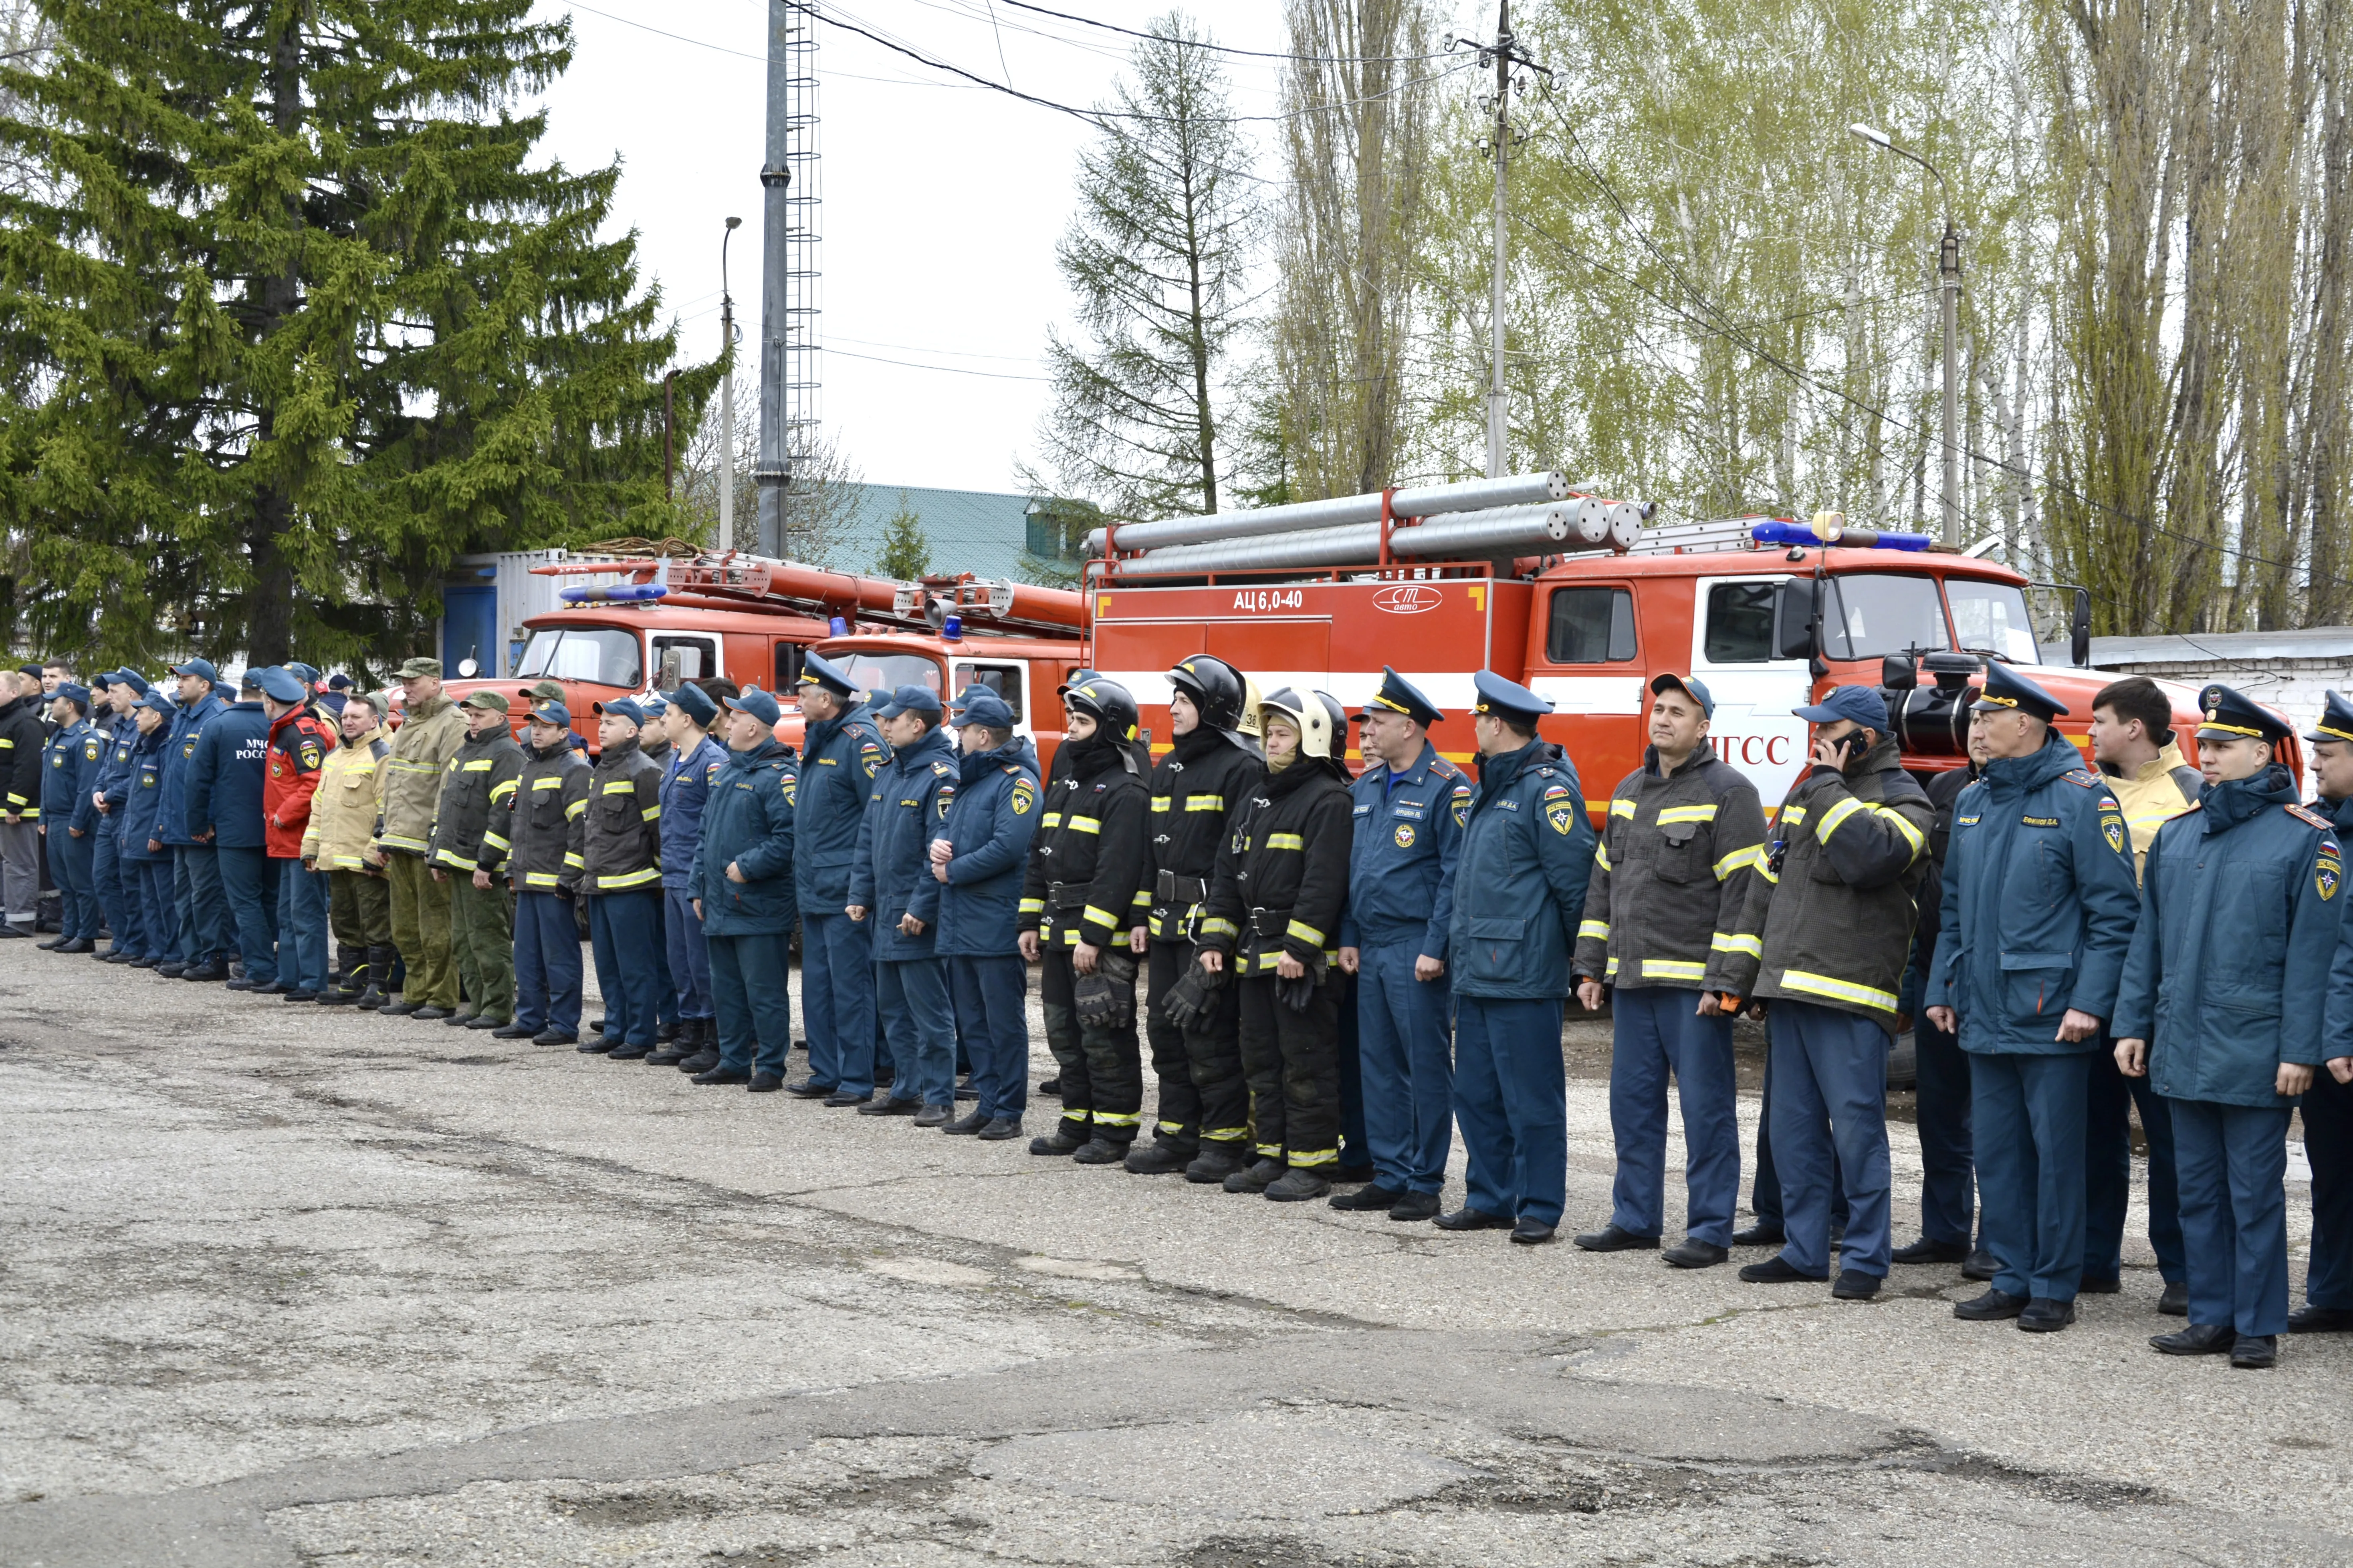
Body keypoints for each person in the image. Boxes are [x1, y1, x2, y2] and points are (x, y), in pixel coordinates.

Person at [2116, 683, 2340, 1370]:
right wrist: (2132, 1023)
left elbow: (2313, 956)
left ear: (2258, 750)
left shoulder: (2306, 840)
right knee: (2196, 1189)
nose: (2205, 755)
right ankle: (2210, 1314)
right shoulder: (2181, 834)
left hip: (2255, 1048)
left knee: (2252, 1192)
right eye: (2202, 744)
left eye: (2219, 745)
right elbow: (2146, 940)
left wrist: (2300, 1048)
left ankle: (2257, 1322)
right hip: (2182, 1044)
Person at [1925, 662, 2141, 1333]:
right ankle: (2011, 1274)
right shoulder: (1973, 800)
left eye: (1987, 716)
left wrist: (2089, 1002)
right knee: (1999, 1151)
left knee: (2057, 1155)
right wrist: (1941, 984)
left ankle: (2054, 1283)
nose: (1976, 727)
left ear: (2026, 721)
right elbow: (1953, 907)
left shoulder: (2084, 798)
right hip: (1984, 1008)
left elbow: (2113, 914)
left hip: (2053, 1014)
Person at [1705, 684, 1933, 1300]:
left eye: (1828, 729)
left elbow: (1867, 859)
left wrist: (1830, 785)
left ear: (1862, 737)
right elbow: (1763, 885)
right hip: (1788, 992)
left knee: (1857, 1134)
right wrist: (1742, 978)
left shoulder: (1906, 802)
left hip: (1850, 997)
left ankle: (1865, 1257)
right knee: (1794, 1131)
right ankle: (1805, 1250)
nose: (1816, 738)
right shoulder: (1806, 794)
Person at [1570, 672, 1768, 1266]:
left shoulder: (1730, 793)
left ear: (1704, 726)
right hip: (1632, 984)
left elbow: (1746, 895)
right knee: (1632, 1106)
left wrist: (1726, 981)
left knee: (1705, 1112)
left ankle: (1710, 1229)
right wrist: (1589, 968)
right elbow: (1602, 887)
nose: (1664, 719)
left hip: (1692, 989)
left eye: (1679, 712)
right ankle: (1635, 1218)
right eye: (1659, 709)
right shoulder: (1629, 790)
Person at [1433, 673, 1598, 1243]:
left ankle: (1540, 1205)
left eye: (1479, 719)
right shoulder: (1489, 786)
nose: (1474, 727)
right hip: (1478, 972)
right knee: (1475, 1095)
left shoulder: (1546, 789)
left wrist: (1586, 962)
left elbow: (1576, 884)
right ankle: (1490, 1197)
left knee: (1532, 1099)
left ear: (1496, 723)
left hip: (1524, 974)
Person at [1189, 688, 1354, 1201]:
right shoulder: (1257, 797)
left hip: (1298, 962)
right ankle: (1273, 1154)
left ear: (1314, 740)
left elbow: (1324, 883)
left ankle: (1313, 1162)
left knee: (1305, 1061)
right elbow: (1226, 871)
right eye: (1269, 734)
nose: (1271, 743)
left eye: (1282, 734)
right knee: (1261, 1059)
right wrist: (1216, 937)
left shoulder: (1329, 799)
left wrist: (1300, 949)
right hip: (1254, 956)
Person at [1326, 668, 1471, 1221]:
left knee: (1425, 1066)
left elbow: (1453, 878)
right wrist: (1349, 935)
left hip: (1416, 947)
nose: (1369, 730)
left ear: (1409, 727)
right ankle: (1388, 1173)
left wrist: (1435, 946)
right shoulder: (1366, 785)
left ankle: (1424, 1178)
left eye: (1378, 721)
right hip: (1374, 943)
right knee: (1378, 1064)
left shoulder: (1447, 787)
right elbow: (1354, 869)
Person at [2084, 675, 2202, 1314]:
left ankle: (2181, 1271)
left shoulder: (2192, 792)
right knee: (2094, 1130)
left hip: (2156, 992)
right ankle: (2093, 1260)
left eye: (2100, 721)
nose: (2090, 732)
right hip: (2095, 986)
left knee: (2168, 1138)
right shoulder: (2090, 791)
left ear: (2135, 727)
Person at [1132, 655, 1266, 1179]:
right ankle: (1176, 1135)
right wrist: (1144, 912)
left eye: (1184, 700)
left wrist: (1217, 927)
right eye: (1174, 700)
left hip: (1207, 926)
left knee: (1208, 1035)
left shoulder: (1242, 767)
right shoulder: (1169, 766)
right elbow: (1150, 849)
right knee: (1166, 1031)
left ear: (1213, 706)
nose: (1173, 709)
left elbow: (1239, 860)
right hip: (1166, 922)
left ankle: (1223, 1143)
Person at [1019, 676, 1151, 1161]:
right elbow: (1040, 855)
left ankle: (1114, 1131)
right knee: (1063, 1033)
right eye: (1071, 720)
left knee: (1104, 1034)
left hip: (1097, 940)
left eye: (1082, 721)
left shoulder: (1126, 790)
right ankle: (1077, 1120)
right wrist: (1029, 922)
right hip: (1057, 932)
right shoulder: (1067, 784)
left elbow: (1116, 871)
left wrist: (1094, 937)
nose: (1071, 729)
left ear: (1110, 728)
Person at [1893, 728, 1990, 1274]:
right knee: (1939, 1113)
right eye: (1972, 723)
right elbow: (1925, 890)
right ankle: (1945, 1231)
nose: (1977, 732)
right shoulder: (1949, 787)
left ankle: (1997, 1239)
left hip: (1994, 981)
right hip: (1937, 971)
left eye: (1988, 721)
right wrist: (1913, 984)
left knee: (1996, 1120)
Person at [927, 685, 1039, 1139]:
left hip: (994, 921)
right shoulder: (969, 782)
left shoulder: (1017, 781)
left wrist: (951, 872)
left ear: (986, 736)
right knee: (972, 1020)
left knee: (1002, 1022)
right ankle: (988, 1103)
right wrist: (935, 847)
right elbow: (945, 831)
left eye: (965, 730)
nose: (958, 737)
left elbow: (1008, 848)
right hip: (961, 922)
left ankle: (1009, 1109)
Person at [849, 685, 961, 1123]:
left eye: (893, 720)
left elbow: (939, 850)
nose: (885, 725)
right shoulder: (890, 771)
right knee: (893, 1008)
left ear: (918, 724)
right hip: (884, 911)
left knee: (928, 1010)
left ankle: (939, 1096)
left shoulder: (940, 776)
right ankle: (906, 1087)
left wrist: (921, 906)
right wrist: (860, 894)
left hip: (914, 915)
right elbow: (867, 839)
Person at [789, 653, 890, 1103]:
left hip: (846, 888)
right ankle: (825, 1071)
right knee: (818, 988)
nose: (798, 700)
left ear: (825, 699)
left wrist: (865, 886)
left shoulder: (860, 741)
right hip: (814, 885)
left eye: (803, 694)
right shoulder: (821, 736)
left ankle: (856, 1078)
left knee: (851, 989)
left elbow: (879, 818)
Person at [688, 688, 799, 1089]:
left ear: (753, 726)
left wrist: (747, 867)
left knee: (764, 991)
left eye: (734, 718)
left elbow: (789, 840)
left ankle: (770, 1065)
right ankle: (734, 1060)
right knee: (727, 989)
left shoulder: (780, 775)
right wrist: (697, 887)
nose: (726, 723)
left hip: (758, 903)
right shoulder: (729, 771)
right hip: (720, 901)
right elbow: (706, 836)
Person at [481, 699, 591, 1045]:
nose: (537, 731)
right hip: (527, 881)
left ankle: (564, 1024)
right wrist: (512, 870)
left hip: (555, 885)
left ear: (563, 732)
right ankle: (529, 1017)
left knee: (560, 958)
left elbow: (581, 831)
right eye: (534, 725)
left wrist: (569, 878)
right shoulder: (528, 769)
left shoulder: (575, 770)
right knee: (526, 955)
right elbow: (518, 827)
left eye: (545, 726)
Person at [371, 657, 468, 1017]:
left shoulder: (452, 724)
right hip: (400, 840)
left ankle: (442, 998)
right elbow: (394, 783)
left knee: (436, 926)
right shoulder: (410, 724)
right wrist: (383, 830)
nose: (406, 688)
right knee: (406, 927)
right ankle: (414, 993)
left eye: (413, 682)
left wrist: (439, 838)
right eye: (403, 681)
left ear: (434, 682)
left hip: (427, 843)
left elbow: (450, 786)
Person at [428, 691, 526, 1030]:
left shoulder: (507, 754)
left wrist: (487, 863)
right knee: (464, 940)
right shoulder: (466, 752)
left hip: (483, 869)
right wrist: (438, 857)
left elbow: (504, 816)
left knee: (488, 939)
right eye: (469, 714)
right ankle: (478, 1004)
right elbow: (449, 808)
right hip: (457, 863)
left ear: (500, 718)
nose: (472, 720)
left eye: (480, 715)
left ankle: (498, 1009)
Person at [2305, 691, 2353, 1338]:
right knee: (2332, 1173)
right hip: (2320, 1032)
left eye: (2328, 753)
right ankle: (2334, 1292)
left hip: (2340, 1029)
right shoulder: (2313, 827)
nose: (2313, 763)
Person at [580, 698, 667, 1057]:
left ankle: (641, 1034)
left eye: (611, 723)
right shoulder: (602, 769)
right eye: (601, 722)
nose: (602, 727)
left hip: (632, 886)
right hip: (600, 883)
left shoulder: (643, 770)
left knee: (636, 966)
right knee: (608, 965)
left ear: (632, 730)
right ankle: (615, 1029)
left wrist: (658, 880)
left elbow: (659, 830)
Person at [304, 693, 396, 1008]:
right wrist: (311, 847)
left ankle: (378, 987)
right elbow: (319, 806)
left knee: (376, 925)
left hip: (366, 862)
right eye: (346, 717)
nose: (349, 722)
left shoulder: (382, 755)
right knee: (344, 923)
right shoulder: (334, 757)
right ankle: (351, 982)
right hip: (335, 859)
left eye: (356, 717)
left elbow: (389, 810)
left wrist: (376, 851)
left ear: (374, 721)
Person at [185, 670, 275, 987]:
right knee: (272, 899)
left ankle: (260, 968)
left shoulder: (219, 725)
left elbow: (196, 780)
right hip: (276, 828)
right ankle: (277, 963)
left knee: (245, 901)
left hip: (235, 831)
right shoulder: (278, 725)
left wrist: (198, 824)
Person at [653, 684, 726, 1066]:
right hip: (673, 874)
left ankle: (715, 1037)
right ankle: (690, 1030)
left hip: (696, 878)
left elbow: (713, 828)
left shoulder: (711, 762)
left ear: (687, 719)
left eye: (668, 714)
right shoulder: (676, 759)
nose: (663, 719)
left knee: (702, 962)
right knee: (680, 959)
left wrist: (701, 880)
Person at [259, 667, 336, 1000]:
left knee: (306, 914)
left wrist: (282, 816)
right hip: (287, 839)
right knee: (288, 913)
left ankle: (312, 980)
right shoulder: (286, 729)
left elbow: (314, 782)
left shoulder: (302, 733)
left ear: (270, 701)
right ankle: (290, 975)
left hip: (300, 837)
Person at [158, 659, 228, 980]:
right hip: (179, 824)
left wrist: (207, 820)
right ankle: (193, 955)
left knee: (205, 895)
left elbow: (216, 779)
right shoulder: (183, 717)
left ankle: (214, 956)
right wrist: (163, 821)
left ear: (205, 685)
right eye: (179, 679)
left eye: (186, 679)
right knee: (184, 894)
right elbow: (172, 776)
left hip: (200, 827)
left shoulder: (214, 718)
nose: (179, 683)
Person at [37, 681, 103, 952]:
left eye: (56, 700)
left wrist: (79, 821)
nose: (51, 704)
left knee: (81, 881)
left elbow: (88, 787)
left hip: (72, 821)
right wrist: (43, 814)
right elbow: (47, 780)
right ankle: (70, 930)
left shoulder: (87, 739)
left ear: (71, 705)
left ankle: (86, 935)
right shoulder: (59, 735)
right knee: (64, 881)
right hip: (55, 818)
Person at [89, 671, 147, 961]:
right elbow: (107, 769)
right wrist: (97, 791)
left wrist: (109, 796)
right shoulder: (121, 726)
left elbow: (138, 776)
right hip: (108, 813)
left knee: (130, 881)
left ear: (133, 695)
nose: (108, 695)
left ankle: (136, 943)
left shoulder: (141, 726)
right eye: (108, 691)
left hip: (127, 811)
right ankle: (122, 940)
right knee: (103, 877)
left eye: (114, 691)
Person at [119, 690, 178, 968]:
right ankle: (156, 949)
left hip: (155, 835)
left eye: (142, 713)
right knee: (148, 898)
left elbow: (166, 793)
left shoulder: (164, 746)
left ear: (157, 716)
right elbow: (136, 795)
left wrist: (159, 830)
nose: (137, 718)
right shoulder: (143, 745)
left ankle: (173, 950)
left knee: (166, 898)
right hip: (139, 832)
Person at [0, 668, 43, 937]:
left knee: (20, 866)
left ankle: (21, 921)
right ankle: (9, 914)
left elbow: (28, 768)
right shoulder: (6, 721)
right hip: (4, 809)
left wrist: (15, 806)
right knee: (7, 865)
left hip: (19, 812)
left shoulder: (25, 722)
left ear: (14, 693)